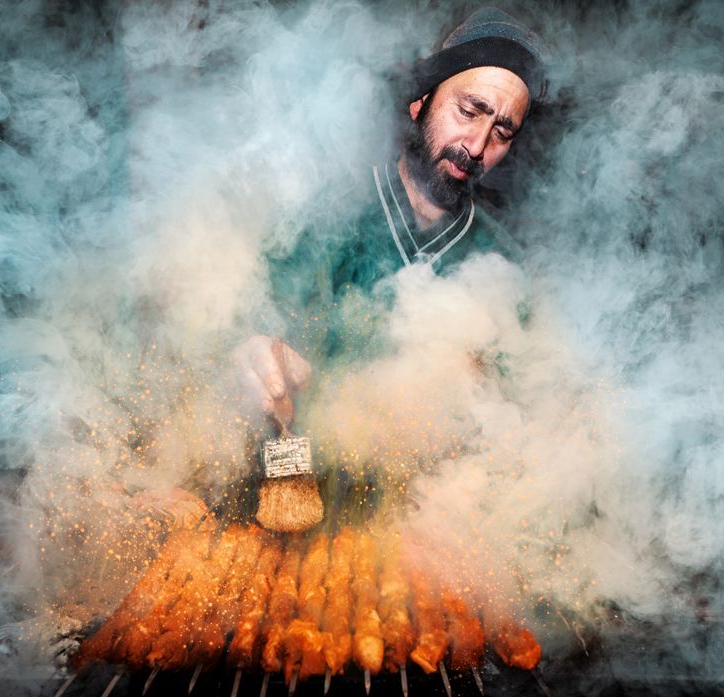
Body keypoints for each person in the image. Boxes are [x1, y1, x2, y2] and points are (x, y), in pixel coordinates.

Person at [234, 7, 548, 431]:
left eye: (502, 133)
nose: (477, 145)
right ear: (421, 102)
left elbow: (520, 427)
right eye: (470, 111)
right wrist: (246, 357)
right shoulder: (319, 220)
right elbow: (236, 335)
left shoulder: (505, 270)